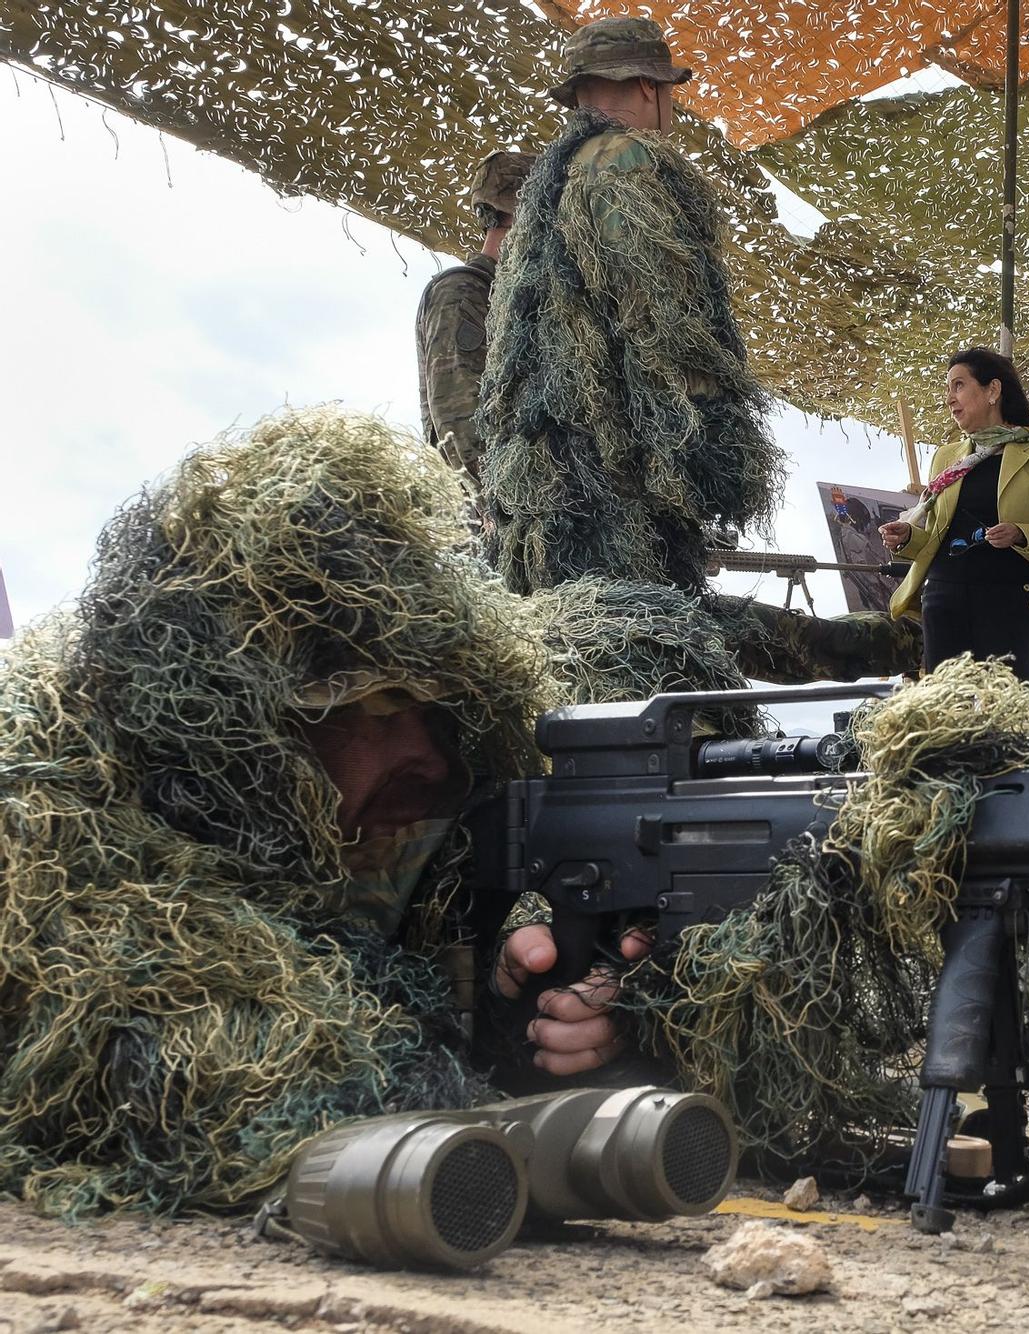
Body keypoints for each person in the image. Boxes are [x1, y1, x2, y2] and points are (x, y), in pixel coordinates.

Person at [0, 408, 695, 1216]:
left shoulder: (411, 817)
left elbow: (391, 960)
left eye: (434, 712)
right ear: (236, 723)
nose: (430, 756)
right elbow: (205, 1072)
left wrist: (521, 1006)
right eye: (372, 708)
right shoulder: (48, 804)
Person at [480, 15, 783, 595]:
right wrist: (707, 444)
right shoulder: (622, 161)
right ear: (650, 86)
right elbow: (661, 314)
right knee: (649, 641)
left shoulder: (549, 185)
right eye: (670, 90)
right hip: (615, 476)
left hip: (547, 482)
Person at [880, 348, 1029, 683]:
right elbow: (938, 537)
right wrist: (908, 537)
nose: (949, 399)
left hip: (1007, 599)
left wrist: (1020, 532)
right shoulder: (945, 457)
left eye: (958, 386)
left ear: (993, 390)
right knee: (946, 715)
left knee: (1008, 717)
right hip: (943, 598)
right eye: (948, 389)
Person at [415, 149, 536, 485]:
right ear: (522, 216)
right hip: (486, 515)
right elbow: (460, 428)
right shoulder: (463, 292)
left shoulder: (512, 297)